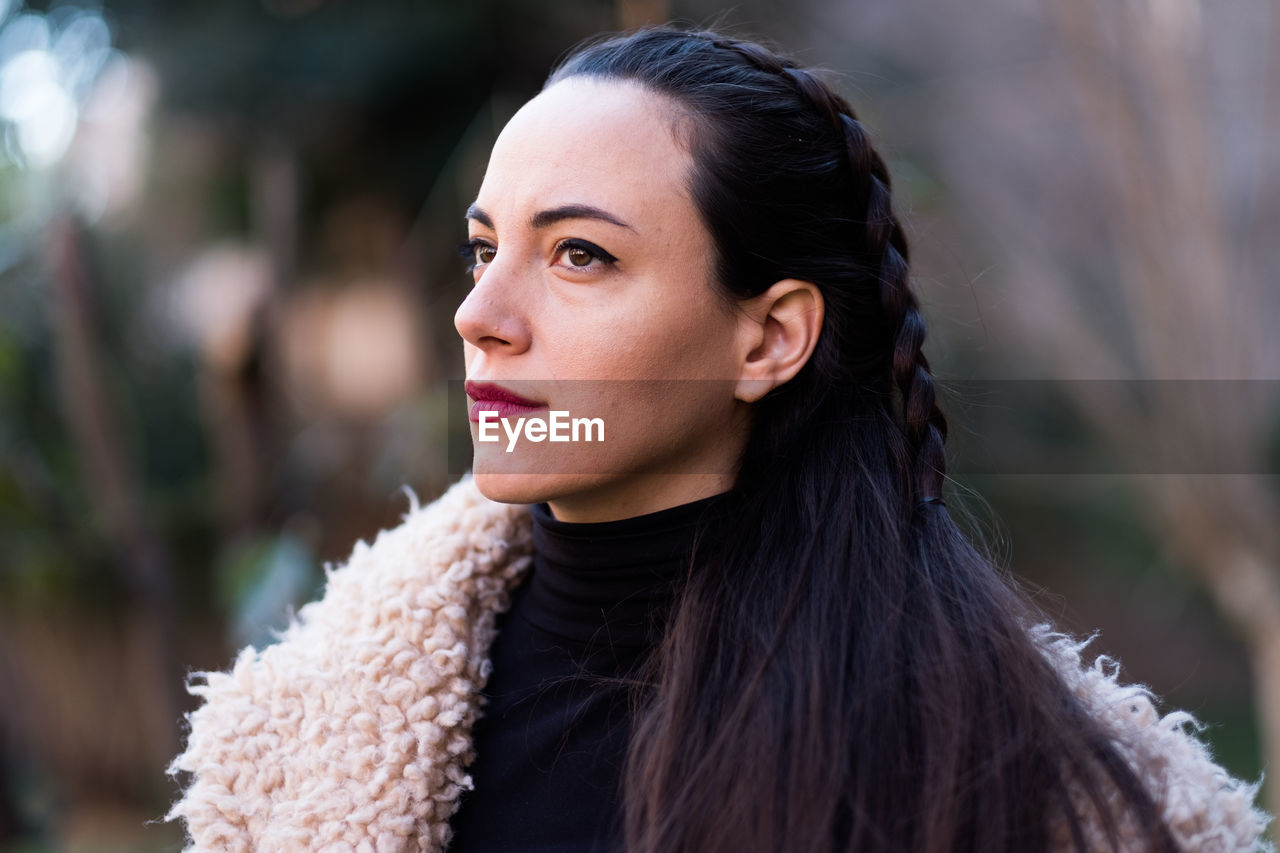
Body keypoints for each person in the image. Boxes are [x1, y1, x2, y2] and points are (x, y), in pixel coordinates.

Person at [166, 26, 1270, 852]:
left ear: (768, 339)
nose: (478, 313)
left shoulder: (1033, 779)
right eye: (482, 248)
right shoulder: (298, 738)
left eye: (578, 257)